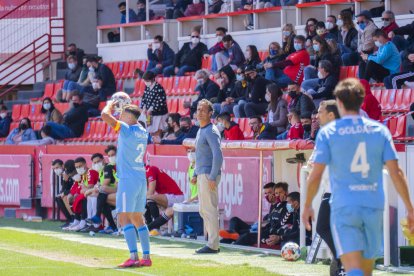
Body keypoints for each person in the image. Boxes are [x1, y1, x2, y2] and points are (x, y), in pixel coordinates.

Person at [303, 78, 414, 276]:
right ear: (362, 101)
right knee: (365, 268)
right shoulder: (379, 131)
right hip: (372, 204)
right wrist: (410, 208)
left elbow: (315, 174)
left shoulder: (329, 133)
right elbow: (396, 172)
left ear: (339, 102)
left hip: (344, 204)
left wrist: (307, 204)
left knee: (352, 266)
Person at [101, 102, 152, 267]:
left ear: (129, 117)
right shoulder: (143, 131)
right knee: (137, 217)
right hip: (140, 178)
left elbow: (104, 116)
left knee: (123, 217)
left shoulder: (126, 129)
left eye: (122, 114)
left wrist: (109, 105)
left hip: (128, 179)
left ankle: (133, 256)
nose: (120, 116)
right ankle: (146, 257)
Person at [306, 99, 344, 275]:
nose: (316, 115)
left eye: (320, 112)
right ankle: (341, 259)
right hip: (331, 189)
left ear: (331, 114)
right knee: (322, 227)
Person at [194, 99, 223, 254]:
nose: (199, 112)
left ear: (210, 113)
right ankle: (212, 242)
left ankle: (213, 245)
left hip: (208, 174)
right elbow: (200, 155)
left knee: (209, 209)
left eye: (203, 110)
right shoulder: (201, 130)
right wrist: (194, 173)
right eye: (198, 109)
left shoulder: (211, 131)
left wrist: (212, 176)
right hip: (202, 173)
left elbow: (218, 155)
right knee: (204, 209)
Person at [219, 182, 287, 246]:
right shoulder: (273, 206)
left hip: (263, 231)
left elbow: (275, 222)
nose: (268, 195)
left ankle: (232, 245)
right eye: (266, 193)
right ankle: (231, 233)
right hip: (256, 227)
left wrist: (263, 224)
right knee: (234, 220)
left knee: (244, 234)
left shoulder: (283, 206)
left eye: (270, 193)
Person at [86, 145, 119, 234]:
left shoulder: (108, 167)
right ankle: (112, 226)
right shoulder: (102, 171)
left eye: (113, 155)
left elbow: (106, 183)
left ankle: (97, 217)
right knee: (101, 198)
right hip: (113, 190)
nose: (97, 164)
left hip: (117, 190)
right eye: (110, 156)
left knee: (101, 191)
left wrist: (93, 189)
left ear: (103, 160)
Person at [145, 165, 184, 231]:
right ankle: (151, 228)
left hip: (176, 197)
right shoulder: (145, 173)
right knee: (148, 201)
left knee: (149, 198)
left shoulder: (150, 170)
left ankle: (154, 228)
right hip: (169, 197)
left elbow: (151, 192)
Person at [140, 71, 168, 136]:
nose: (146, 82)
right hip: (149, 114)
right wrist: (144, 108)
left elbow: (161, 102)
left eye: (147, 80)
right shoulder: (147, 87)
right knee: (149, 130)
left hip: (158, 114)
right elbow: (144, 98)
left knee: (157, 131)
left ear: (152, 79)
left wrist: (151, 109)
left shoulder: (159, 88)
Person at [54, 159, 77, 228]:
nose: (56, 170)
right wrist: (65, 181)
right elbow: (64, 189)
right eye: (54, 168)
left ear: (63, 166)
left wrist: (64, 192)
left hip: (75, 192)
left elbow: (75, 187)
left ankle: (74, 218)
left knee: (64, 196)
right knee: (58, 197)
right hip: (71, 192)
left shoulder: (72, 172)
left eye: (57, 167)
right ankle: (69, 219)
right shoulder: (64, 175)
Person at [356, 10, 378, 78]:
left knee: (356, 58)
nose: (359, 24)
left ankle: (363, 81)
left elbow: (367, 46)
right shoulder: (362, 29)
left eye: (361, 22)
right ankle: (362, 81)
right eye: (358, 22)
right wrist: (360, 49)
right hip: (364, 51)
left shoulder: (371, 28)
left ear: (368, 20)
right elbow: (359, 43)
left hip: (371, 51)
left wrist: (360, 50)